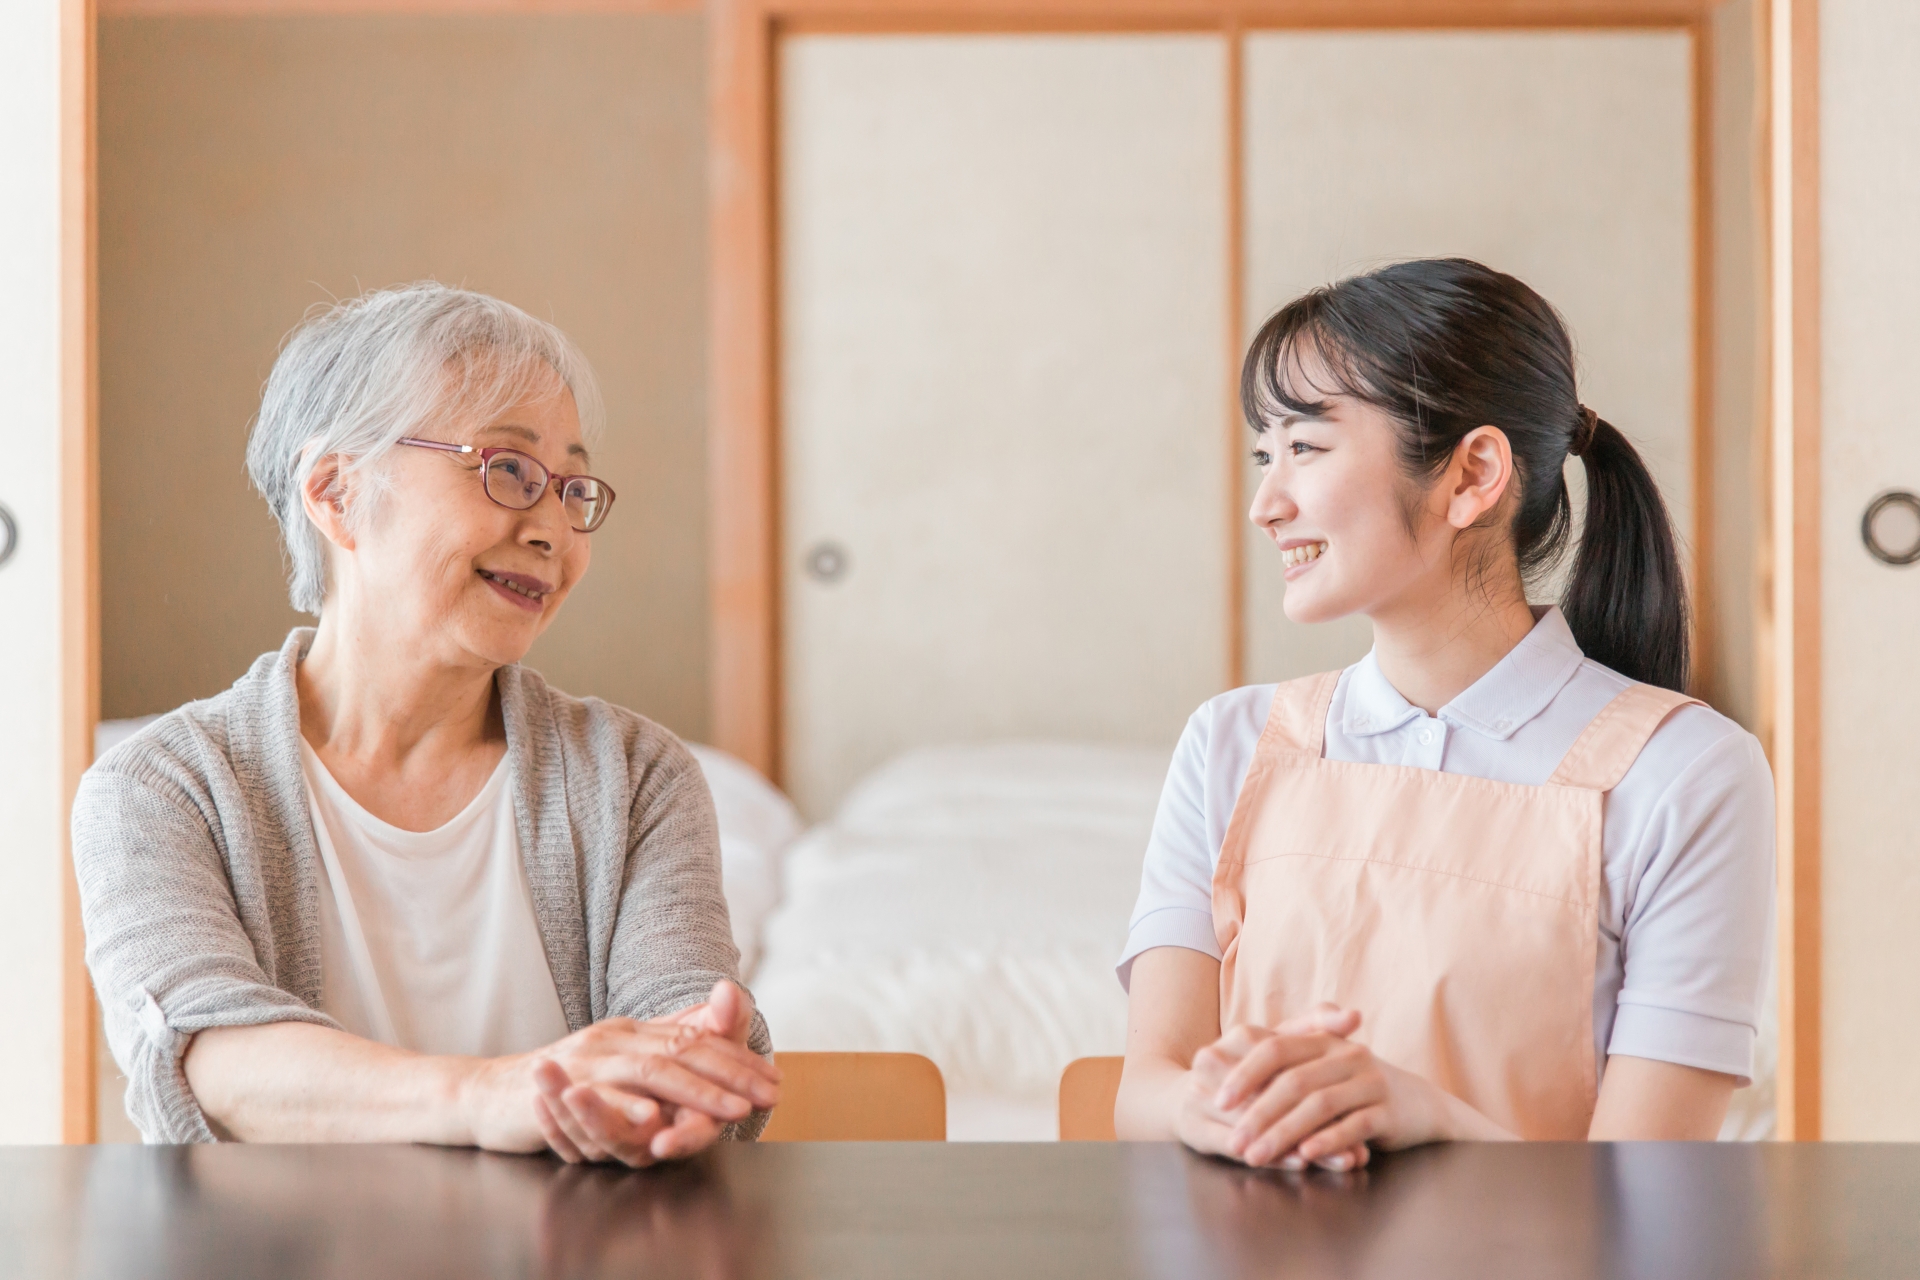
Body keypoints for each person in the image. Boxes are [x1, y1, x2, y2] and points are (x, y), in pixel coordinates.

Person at [73, 283, 778, 1165]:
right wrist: (489, 1096)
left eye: (573, 489)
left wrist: (687, 1076)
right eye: (510, 470)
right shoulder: (161, 787)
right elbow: (211, 1056)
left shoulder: (636, 775)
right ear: (335, 493)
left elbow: (683, 1026)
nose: (553, 529)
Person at [1113, 259, 1774, 1169]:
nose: (1267, 503)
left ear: (1472, 474)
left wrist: (1427, 1115)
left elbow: (1653, 1199)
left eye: (1305, 447)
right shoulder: (1229, 743)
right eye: (1264, 455)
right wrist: (1219, 1111)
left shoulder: (1688, 772)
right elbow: (1148, 1089)